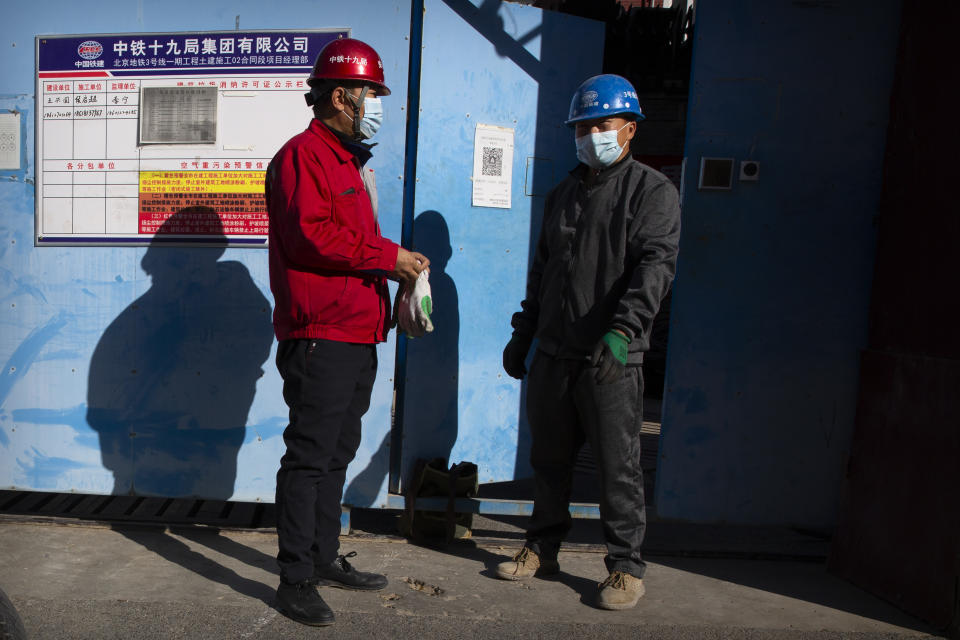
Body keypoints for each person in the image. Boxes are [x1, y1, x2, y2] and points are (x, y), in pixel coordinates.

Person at [497, 74, 681, 611]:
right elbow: (543, 274)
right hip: (555, 353)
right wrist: (523, 334)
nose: (590, 135)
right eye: (582, 126)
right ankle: (542, 547)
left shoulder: (652, 192)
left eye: (601, 125)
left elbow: (656, 269)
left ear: (629, 130)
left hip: (611, 358)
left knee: (617, 464)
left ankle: (625, 567)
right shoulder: (562, 195)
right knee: (549, 460)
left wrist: (623, 332)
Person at [265, 37, 429, 627]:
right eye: (370, 93)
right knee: (309, 459)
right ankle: (295, 578)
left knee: (336, 454)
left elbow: (352, 243)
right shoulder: (302, 157)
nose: (375, 103)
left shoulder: (349, 162)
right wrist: (389, 259)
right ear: (341, 96)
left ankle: (324, 556)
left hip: (358, 334)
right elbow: (313, 237)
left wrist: (398, 268)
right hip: (321, 335)